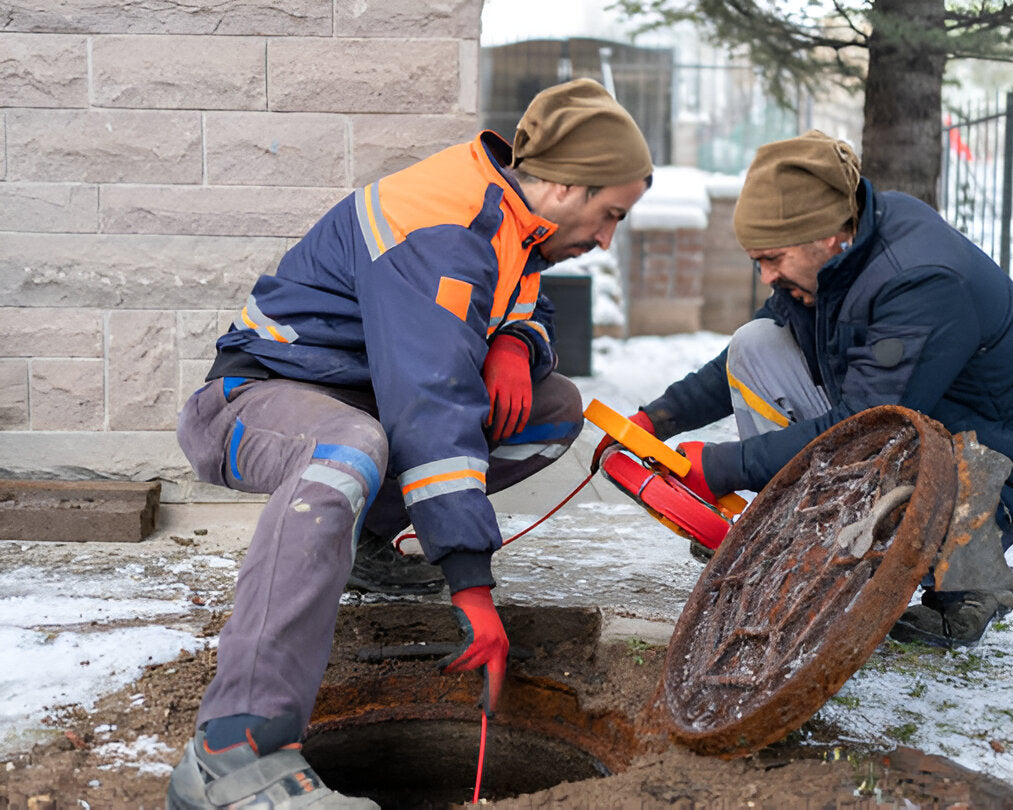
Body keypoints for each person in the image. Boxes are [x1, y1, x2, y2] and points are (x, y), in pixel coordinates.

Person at [168, 78, 653, 809]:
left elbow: (522, 299)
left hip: (360, 398)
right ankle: (232, 752)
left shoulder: (510, 218)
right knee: (350, 448)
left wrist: (517, 342)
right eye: (610, 213)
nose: (608, 237)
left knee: (552, 410)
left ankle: (367, 545)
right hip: (250, 402)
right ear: (561, 186)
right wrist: (469, 578)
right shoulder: (441, 228)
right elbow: (430, 406)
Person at [592, 129, 1013, 649]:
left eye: (772, 258)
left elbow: (866, 424)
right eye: (757, 261)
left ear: (825, 236)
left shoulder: (921, 279)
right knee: (756, 344)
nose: (766, 275)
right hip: (917, 428)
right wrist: (658, 419)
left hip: (995, 469)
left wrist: (722, 466)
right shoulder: (837, 258)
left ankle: (969, 581)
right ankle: (804, 538)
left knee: (893, 463)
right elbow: (748, 363)